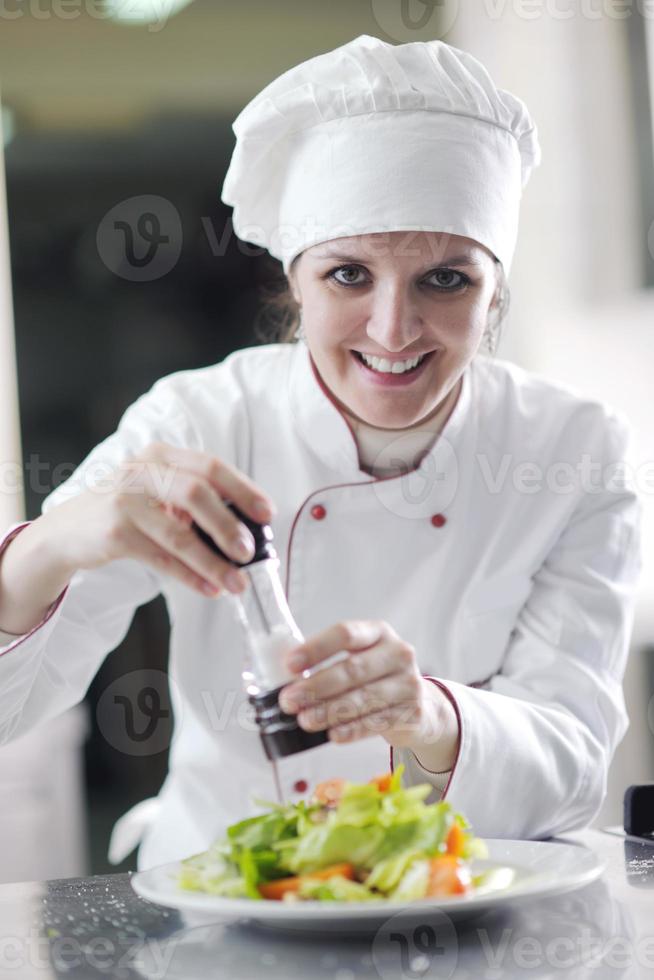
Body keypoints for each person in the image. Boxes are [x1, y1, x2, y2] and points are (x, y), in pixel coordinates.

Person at [0, 35, 641, 870]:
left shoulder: (574, 447)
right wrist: (55, 542)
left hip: (454, 903)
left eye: (447, 280)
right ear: (293, 281)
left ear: (495, 296)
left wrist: (430, 714)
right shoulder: (198, 419)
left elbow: (573, 765)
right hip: (213, 896)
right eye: (348, 275)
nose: (394, 330)